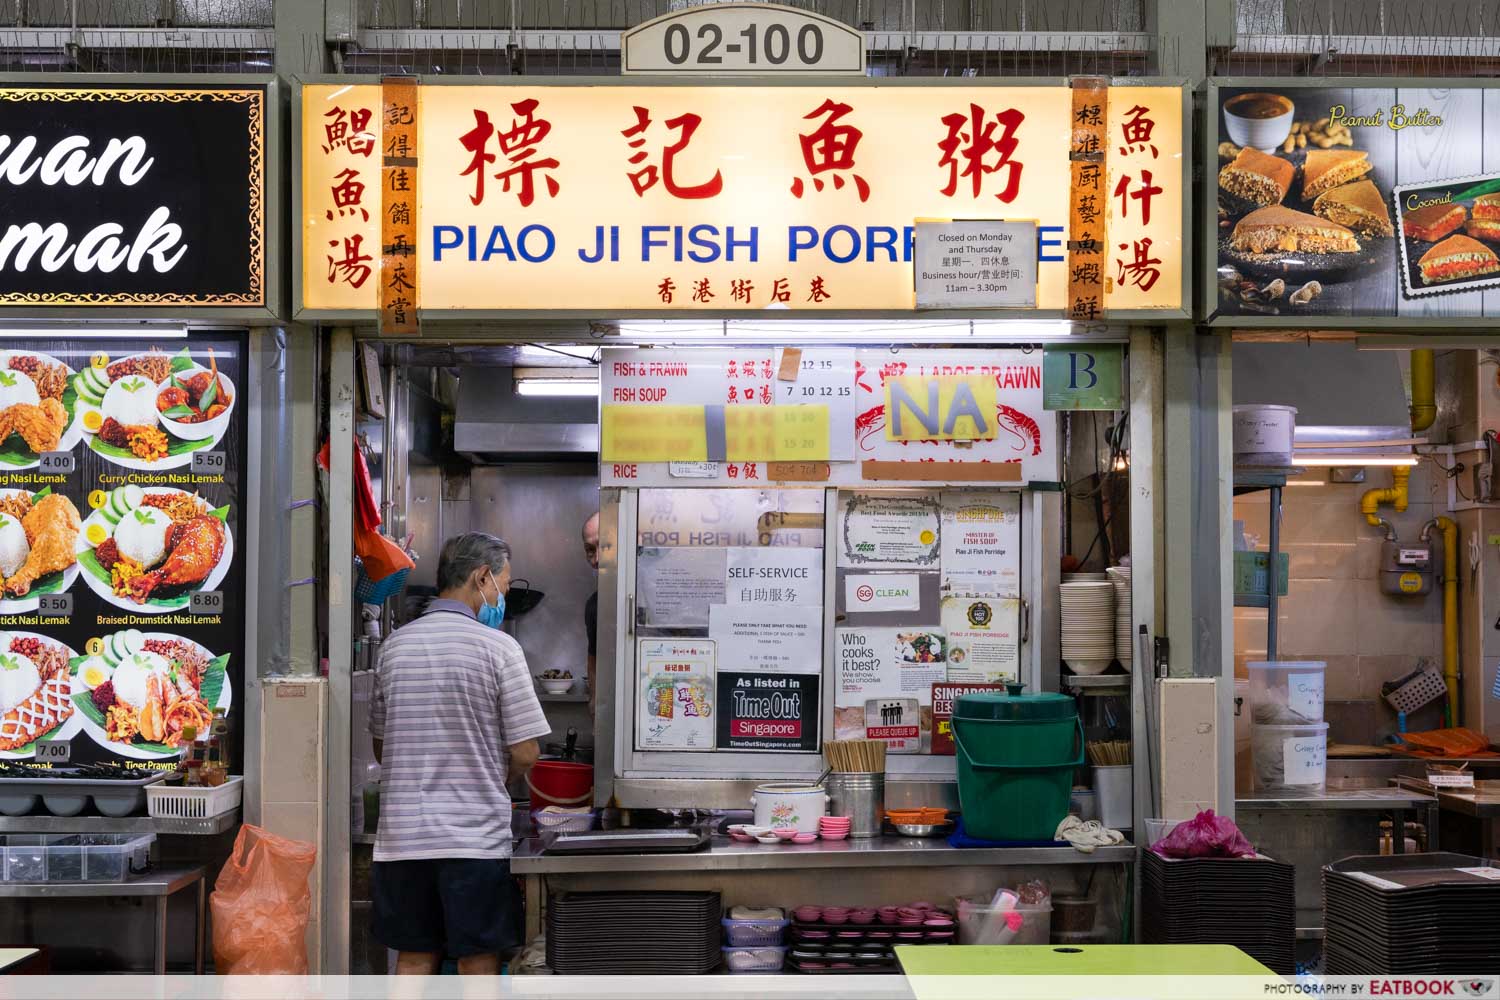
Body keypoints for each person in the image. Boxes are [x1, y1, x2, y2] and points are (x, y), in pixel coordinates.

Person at [368, 531, 550, 975]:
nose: (501, 598)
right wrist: (492, 777)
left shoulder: (394, 648)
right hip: (472, 841)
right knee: (477, 960)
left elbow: (382, 744)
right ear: (481, 577)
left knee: (413, 958)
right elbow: (526, 752)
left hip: (403, 840)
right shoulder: (499, 648)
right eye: (503, 586)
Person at [582, 512, 599, 717]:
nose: (597, 559)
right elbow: (595, 658)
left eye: (605, 547)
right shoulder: (595, 604)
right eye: (590, 550)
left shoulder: (655, 592)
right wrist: (595, 701)